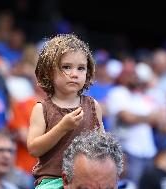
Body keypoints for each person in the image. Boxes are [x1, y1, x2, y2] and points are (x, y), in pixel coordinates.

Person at [27, 34, 104, 188]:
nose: (74, 74)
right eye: (66, 67)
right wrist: (62, 127)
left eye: (81, 68)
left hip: (86, 181)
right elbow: (34, 149)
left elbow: (102, 145)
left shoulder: (93, 106)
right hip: (52, 181)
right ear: (49, 71)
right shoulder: (41, 108)